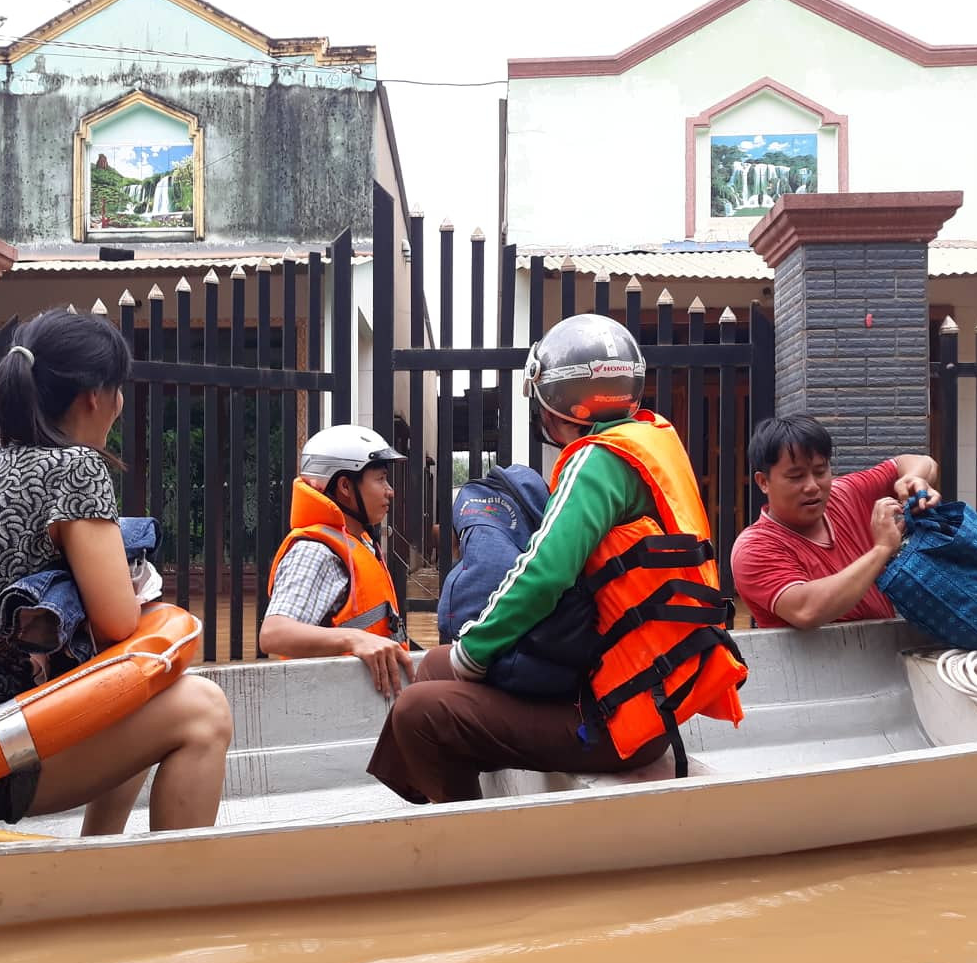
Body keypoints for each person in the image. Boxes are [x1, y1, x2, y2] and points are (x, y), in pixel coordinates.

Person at [0, 308, 231, 835]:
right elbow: (116, 624)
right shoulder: (77, 468)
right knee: (203, 709)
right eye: (119, 390)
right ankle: (174, 900)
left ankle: (98, 858)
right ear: (95, 395)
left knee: (140, 692)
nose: (118, 405)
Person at [368, 314, 745, 804]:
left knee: (418, 711)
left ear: (552, 403)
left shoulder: (595, 462)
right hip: (654, 698)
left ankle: (467, 838)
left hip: (618, 718)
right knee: (433, 667)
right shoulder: (652, 441)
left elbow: (541, 576)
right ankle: (438, 794)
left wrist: (473, 652)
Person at [731, 414, 941, 630]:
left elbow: (922, 461)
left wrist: (913, 479)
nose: (812, 486)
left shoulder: (844, 494)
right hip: (808, 664)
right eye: (796, 476)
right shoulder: (754, 548)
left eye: (820, 471)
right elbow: (806, 610)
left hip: (883, 657)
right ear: (763, 482)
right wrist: (882, 549)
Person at [259, 424, 413, 700]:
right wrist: (355, 639)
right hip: (330, 706)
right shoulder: (315, 551)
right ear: (345, 486)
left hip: (364, 699)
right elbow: (274, 633)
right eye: (380, 479)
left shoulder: (359, 539)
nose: (390, 491)